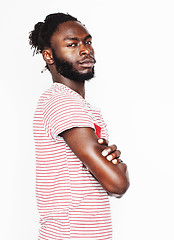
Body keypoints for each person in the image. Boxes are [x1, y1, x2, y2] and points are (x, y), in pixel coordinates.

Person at [29, 12, 129, 240]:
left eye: (88, 42)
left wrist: (111, 167)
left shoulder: (77, 105)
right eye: (72, 44)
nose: (85, 50)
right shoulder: (63, 102)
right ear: (49, 55)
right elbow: (117, 184)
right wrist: (120, 166)